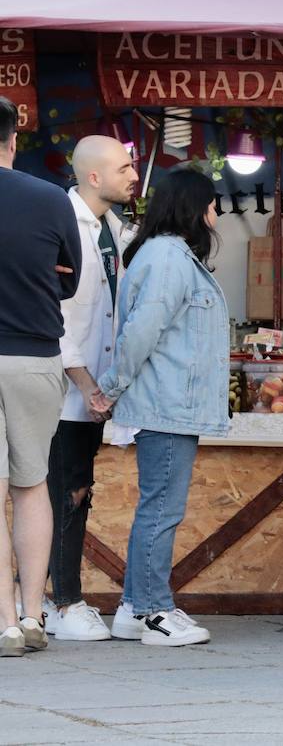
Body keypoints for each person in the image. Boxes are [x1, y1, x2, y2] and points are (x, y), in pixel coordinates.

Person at [91, 168, 227, 648]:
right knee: (161, 510)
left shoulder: (168, 255)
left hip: (171, 402)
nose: (216, 215)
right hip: (166, 402)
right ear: (195, 207)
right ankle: (153, 611)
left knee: (159, 506)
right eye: (213, 205)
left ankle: (133, 607)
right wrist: (111, 386)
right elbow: (142, 331)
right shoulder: (169, 258)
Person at [45, 135, 139, 642]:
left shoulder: (115, 229)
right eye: (124, 167)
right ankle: (65, 602)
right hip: (63, 388)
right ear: (94, 176)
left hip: (94, 390)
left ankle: (49, 598)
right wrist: (85, 384)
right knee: (67, 492)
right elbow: (55, 314)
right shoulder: (61, 223)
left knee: (77, 490)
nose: (133, 175)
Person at [0, 97, 83, 658]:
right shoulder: (51, 199)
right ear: (12, 140)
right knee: (31, 486)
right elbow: (70, 280)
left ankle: (3, 622)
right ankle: (33, 615)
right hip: (34, 355)